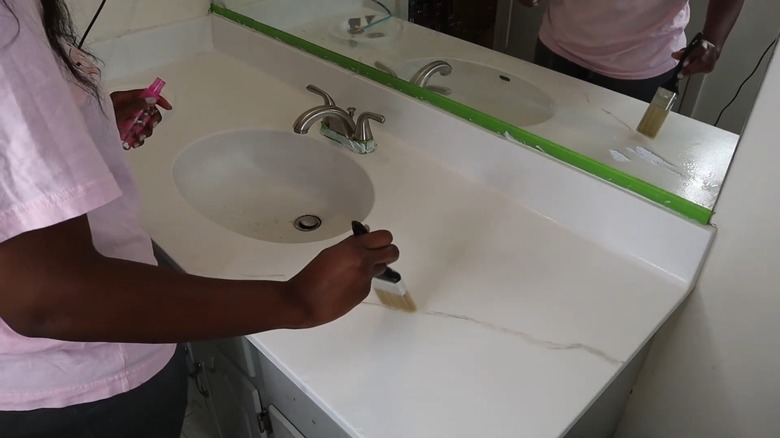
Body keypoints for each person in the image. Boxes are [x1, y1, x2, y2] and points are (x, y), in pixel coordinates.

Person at [0, 1, 399, 437]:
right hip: (78, 390)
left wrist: (77, 132)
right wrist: (299, 300)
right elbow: (47, 297)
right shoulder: (8, 27)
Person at [518, 0, 745, 102]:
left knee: (615, 167)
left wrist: (714, 42)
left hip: (643, 68)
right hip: (560, 47)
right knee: (536, 149)